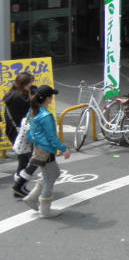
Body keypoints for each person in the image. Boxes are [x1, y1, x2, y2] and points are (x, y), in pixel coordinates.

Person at [16, 86, 70, 217]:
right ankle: (45, 210)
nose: (52, 98)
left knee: (53, 174)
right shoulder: (46, 116)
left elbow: (29, 132)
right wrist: (64, 149)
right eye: (51, 96)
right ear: (48, 98)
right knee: (50, 179)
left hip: (39, 148)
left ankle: (31, 198)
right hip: (46, 150)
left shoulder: (33, 110)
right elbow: (52, 138)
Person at [5, 73, 36, 196]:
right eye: (30, 83)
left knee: (24, 158)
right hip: (19, 132)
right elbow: (32, 108)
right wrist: (34, 96)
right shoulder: (18, 97)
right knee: (24, 159)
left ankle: (19, 186)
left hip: (15, 131)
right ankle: (18, 187)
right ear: (25, 84)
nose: (32, 85)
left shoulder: (14, 94)